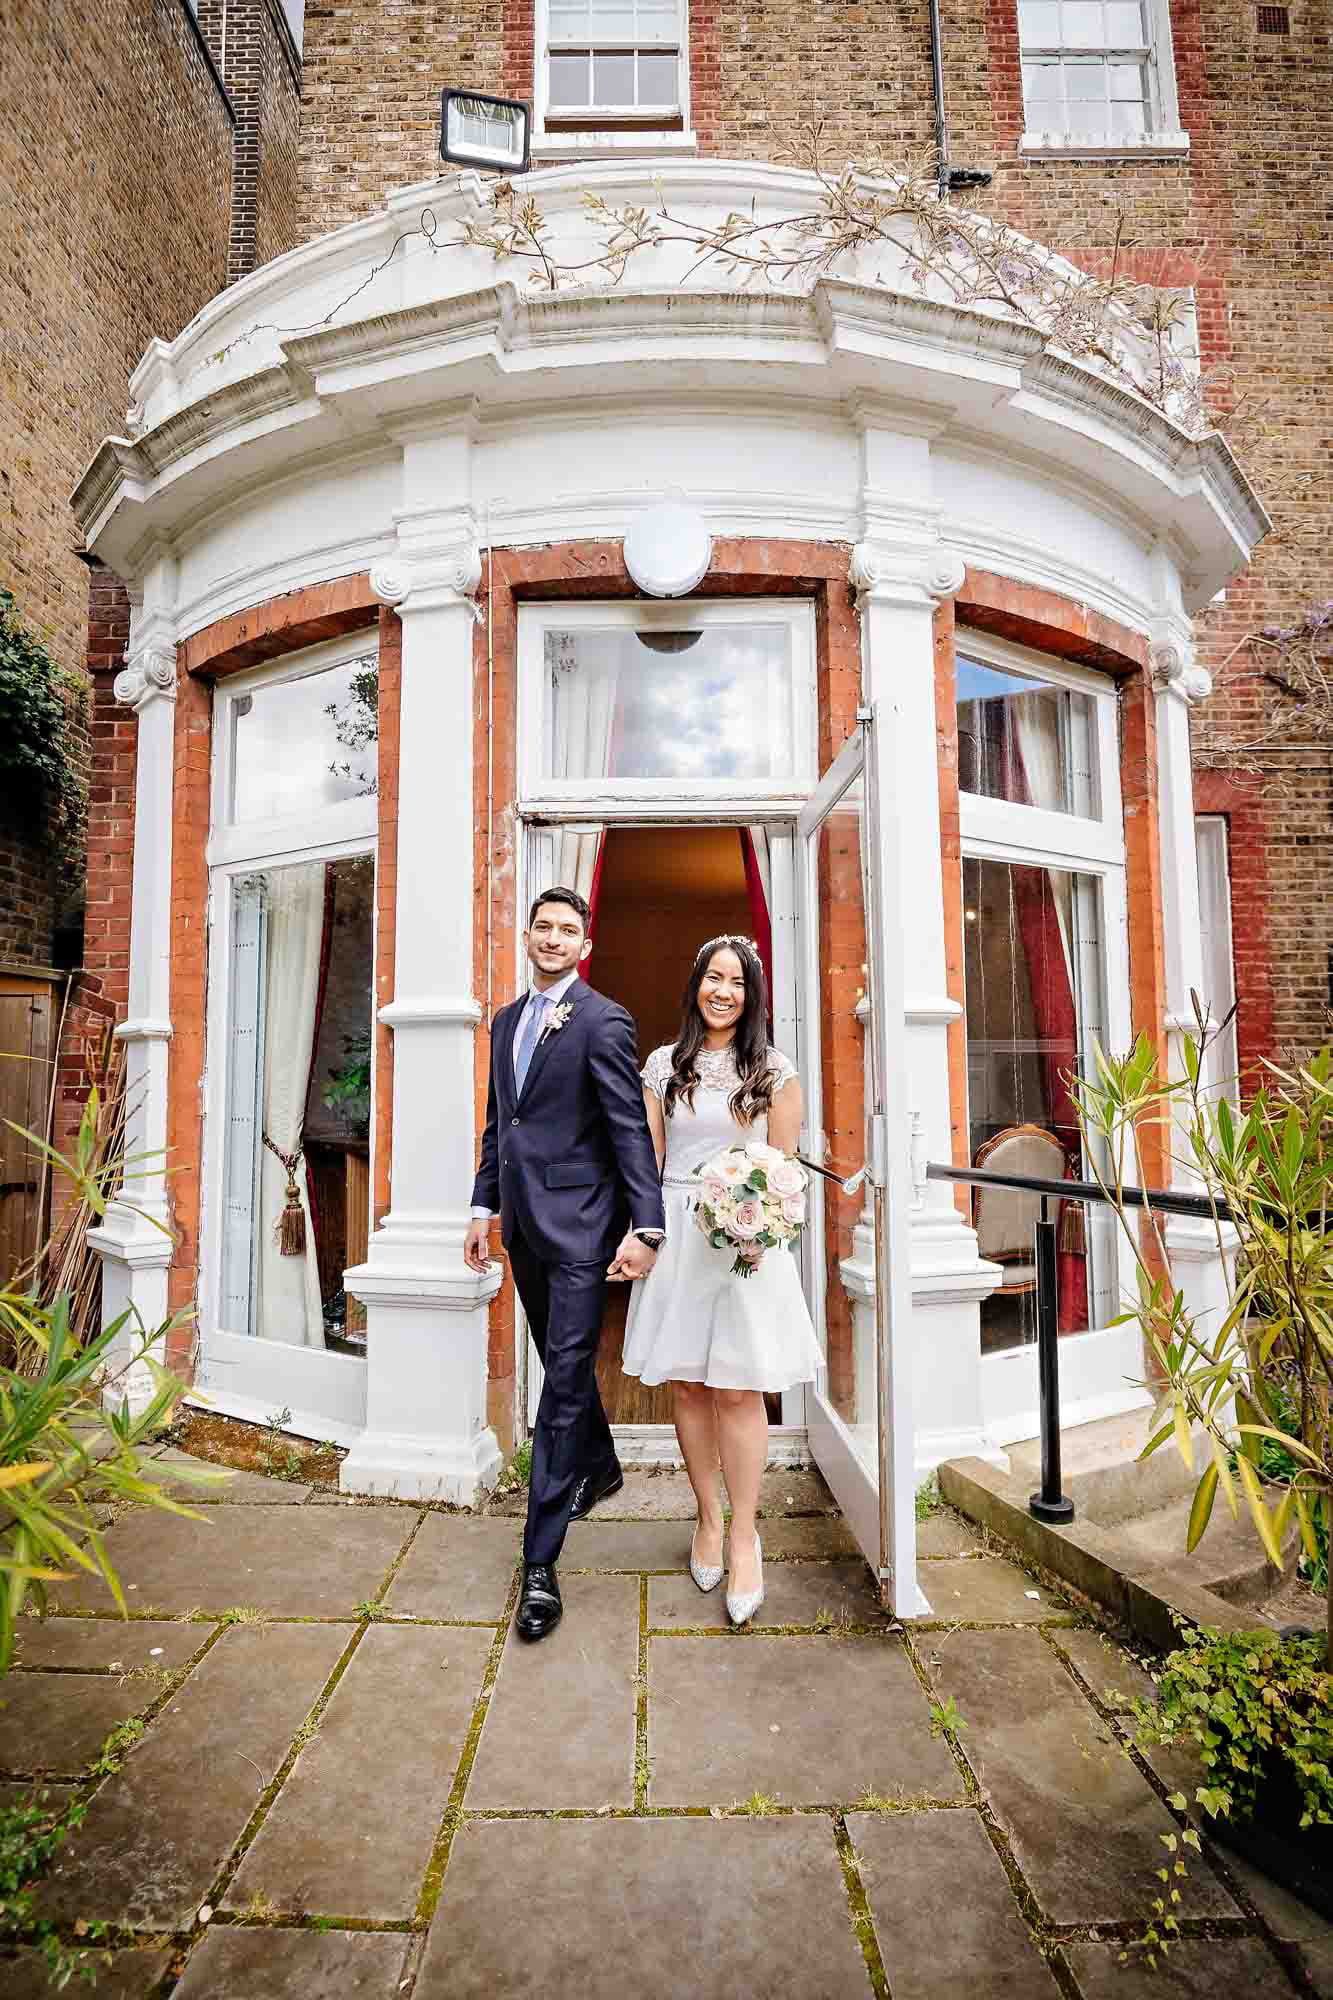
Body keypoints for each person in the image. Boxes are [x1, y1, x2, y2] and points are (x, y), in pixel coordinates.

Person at [464, 888, 665, 1644]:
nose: (553, 939)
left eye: (567, 931)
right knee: (566, 1366)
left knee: (560, 1385)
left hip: (581, 1231)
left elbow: (627, 1132)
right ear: (526, 935)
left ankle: (539, 1560)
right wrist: (483, 1208)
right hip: (523, 1226)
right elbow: (499, 1125)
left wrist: (646, 1226)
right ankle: (603, 1468)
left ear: (586, 945)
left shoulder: (602, 1020)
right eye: (542, 927)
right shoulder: (507, 1021)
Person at [621, 935, 822, 1625]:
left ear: (752, 994)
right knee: (688, 1383)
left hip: (745, 1243)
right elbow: (644, 1161)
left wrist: (765, 1228)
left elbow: (786, 1168)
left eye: (736, 981)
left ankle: (744, 1537)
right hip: (680, 1233)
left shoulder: (772, 1068)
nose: (723, 991)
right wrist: (639, 1234)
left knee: (737, 1387)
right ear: (696, 985)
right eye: (713, 976)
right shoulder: (661, 1066)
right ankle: (706, 1518)